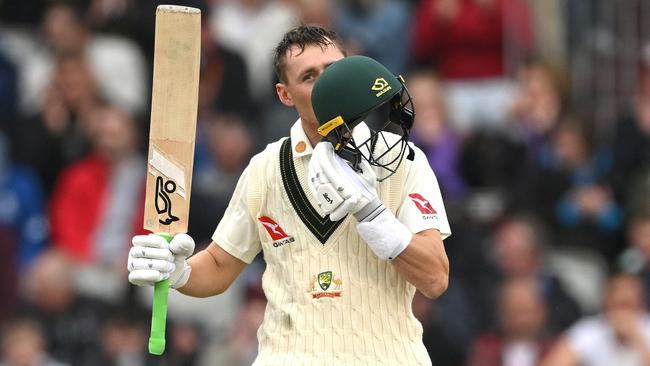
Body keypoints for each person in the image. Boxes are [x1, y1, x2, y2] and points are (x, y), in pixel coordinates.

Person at [127, 25, 451, 365]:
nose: (328, 85)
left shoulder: (402, 158)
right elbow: (220, 265)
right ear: (285, 94)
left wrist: (373, 214)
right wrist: (179, 272)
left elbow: (435, 278)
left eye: (334, 71)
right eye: (310, 77)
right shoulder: (265, 169)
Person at [541, 273, 650, 366]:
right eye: (616, 305)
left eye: (627, 305)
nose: (621, 313)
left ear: (640, 305)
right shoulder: (590, 330)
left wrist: (636, 338)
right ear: (605, 304)